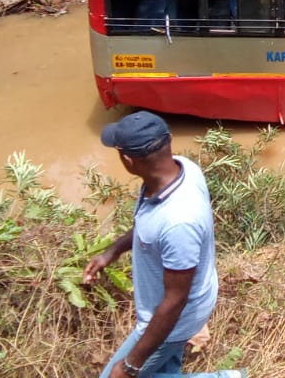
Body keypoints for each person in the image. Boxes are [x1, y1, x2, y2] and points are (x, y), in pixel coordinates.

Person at [84, 111, 219, 378]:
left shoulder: (179, 221)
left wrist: (131, 365)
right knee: (162, 371)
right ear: (167, 141)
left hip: (172, 321)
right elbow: (149, 228)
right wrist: (112, 252)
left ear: (128, 160)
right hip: (174, 310)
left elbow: (175, 300)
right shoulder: (183, 168)